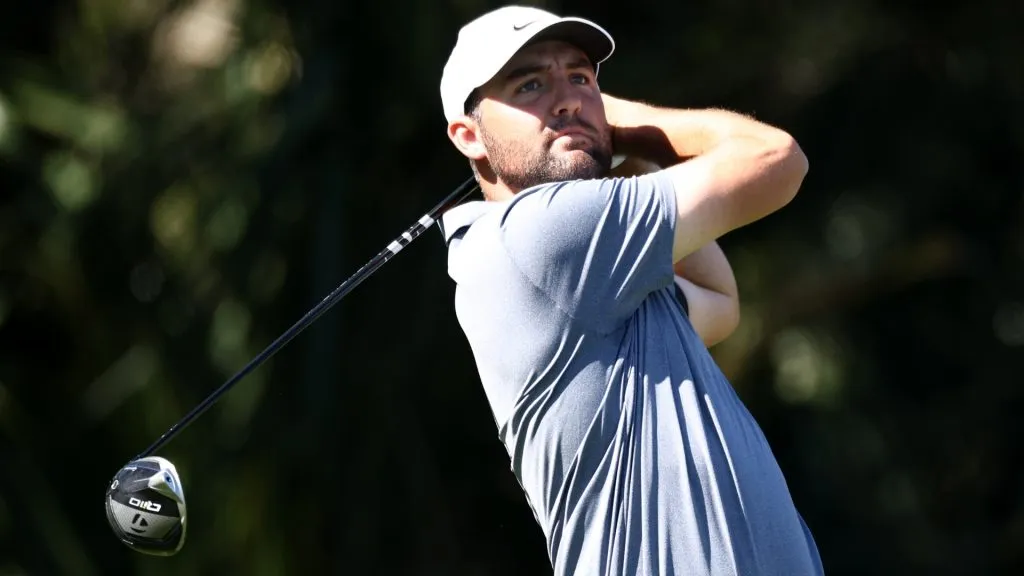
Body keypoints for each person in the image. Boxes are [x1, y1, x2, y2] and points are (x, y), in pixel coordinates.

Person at [438, 5, 824, 576]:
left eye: (582, 78)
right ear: (470, 136)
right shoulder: (540, 233)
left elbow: (719, 304)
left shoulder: (598, 275)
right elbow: (774, 159)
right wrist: (625, 120)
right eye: (531, 85)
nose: (568, 99)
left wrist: (619, 151)